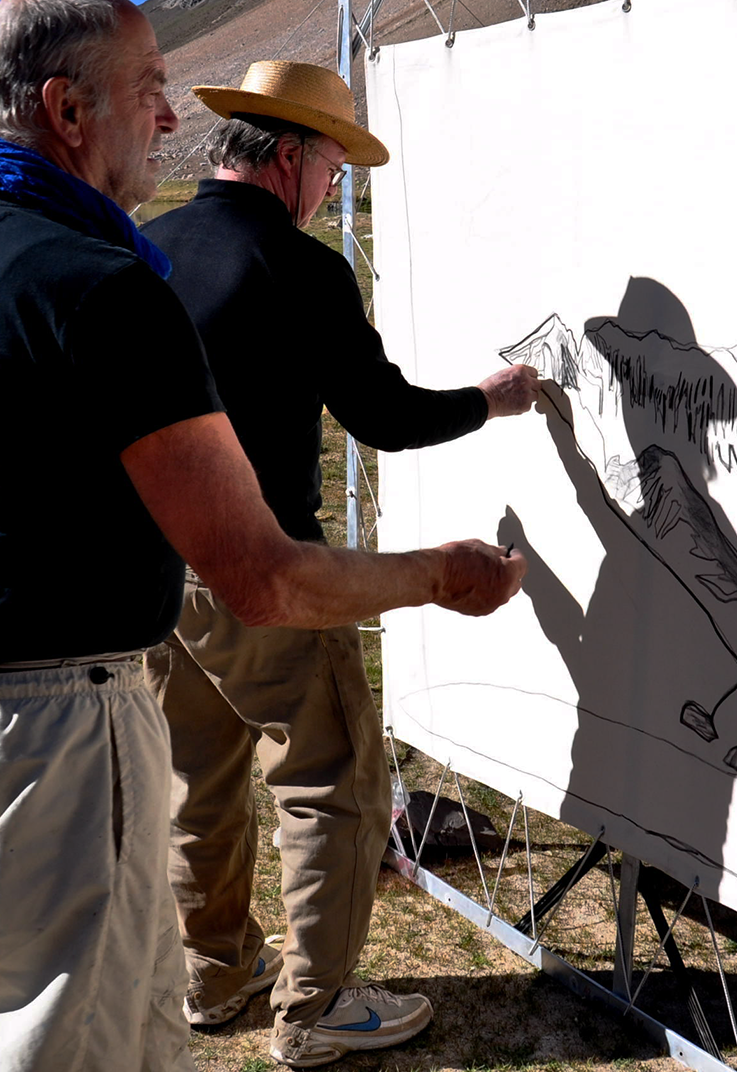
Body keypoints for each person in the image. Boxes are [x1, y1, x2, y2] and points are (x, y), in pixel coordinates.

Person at [0, 0, 525, 1072]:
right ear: (67, 110)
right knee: (62, 1033)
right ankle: (315, 1003)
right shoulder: (106, 283)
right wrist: (442, 573)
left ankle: (214, 973)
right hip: (50, 720)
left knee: (127, 971)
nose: (167, 118)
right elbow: (262, 576)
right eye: (148, 89)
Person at [137, 61, 539, 1068]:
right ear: (286, 156)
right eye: (330, 167)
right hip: (266, 570)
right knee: (332, 782)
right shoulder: (299, 268)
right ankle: (313, 1009)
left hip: (152, 570)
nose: (331, 188)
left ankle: (217, 973)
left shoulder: (143, 247)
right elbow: (384, 417)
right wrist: (489, 401)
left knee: (194, 780)